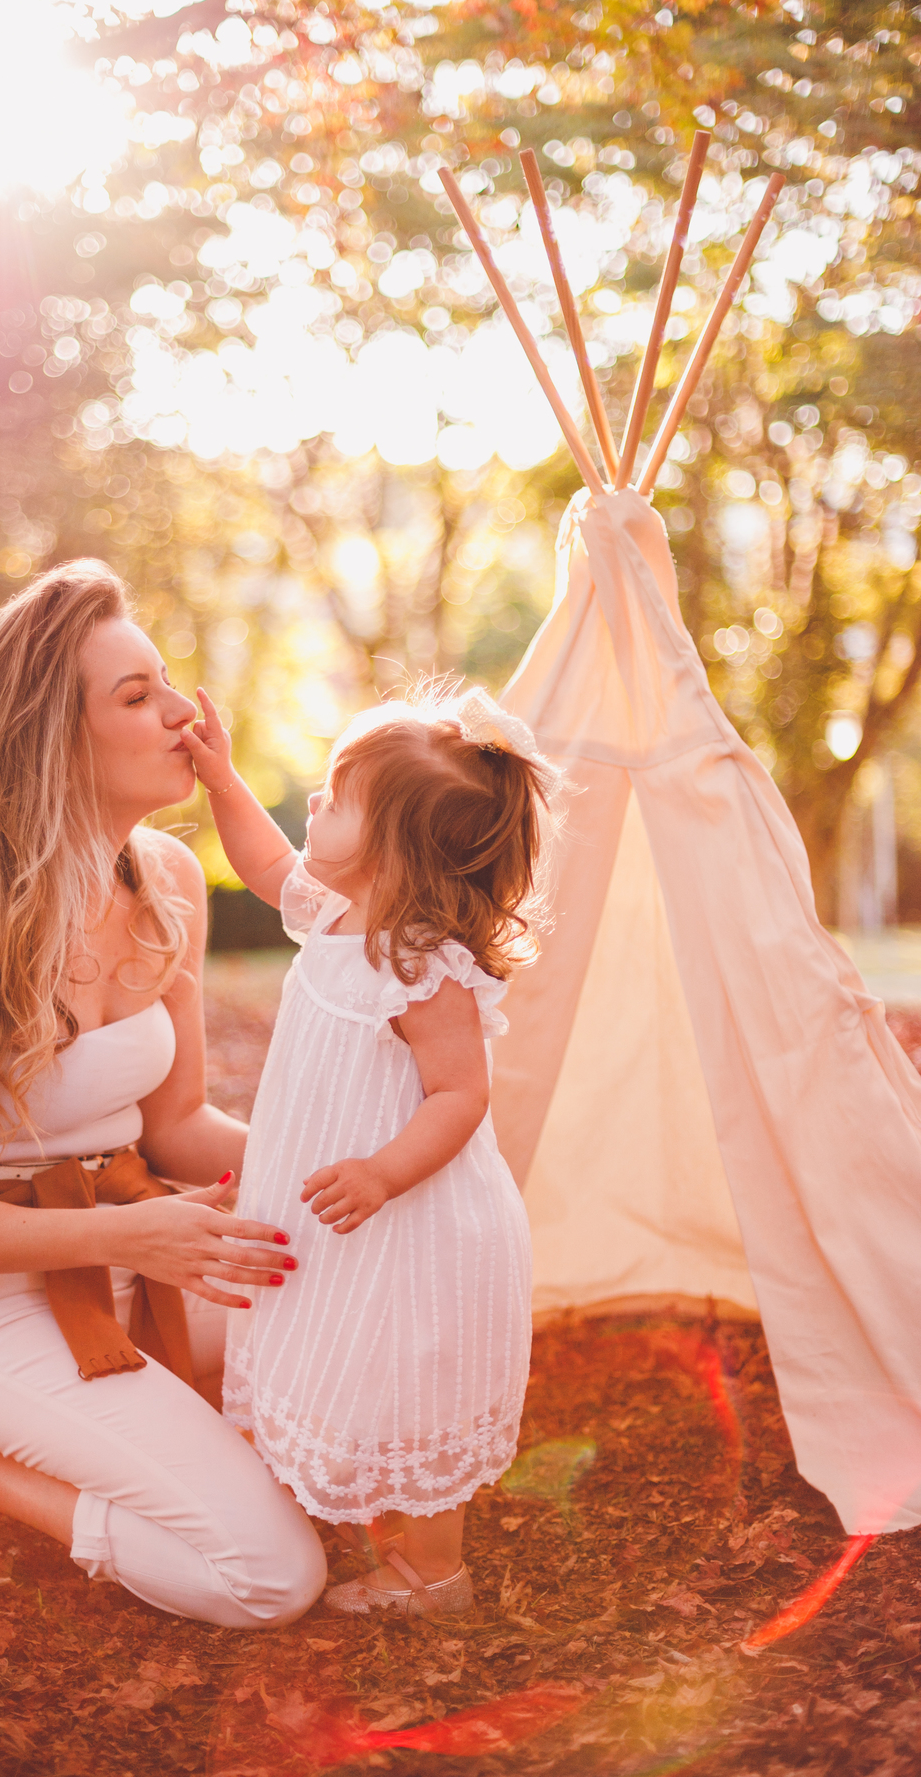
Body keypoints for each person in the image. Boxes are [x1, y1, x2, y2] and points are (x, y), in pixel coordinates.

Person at [0, 560, 327, 1629]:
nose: (183, 713)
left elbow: (181, 1127)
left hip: (144, 1263)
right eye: (137, 697)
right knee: (274, 1578)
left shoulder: (170, 884)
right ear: (52, 741)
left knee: (364, 1305)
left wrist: (346, 1173)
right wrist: (128, 1239)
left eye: (167, 684)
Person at [181, 683, 563, 1616]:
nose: (313, 804)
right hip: (350, 1216)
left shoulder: (423, 963)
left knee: (403, 1381)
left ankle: (434, 1574)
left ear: (395, 845)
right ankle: (355, 1513)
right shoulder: (337, 917)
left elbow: (461, 1095)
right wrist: (223, 780)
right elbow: (266, 861)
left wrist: (386, 1172)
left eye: (338, 797)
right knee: (340, 1355)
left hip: (415, 1224)